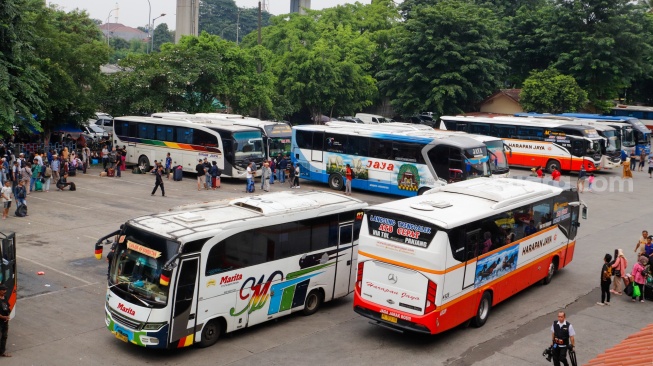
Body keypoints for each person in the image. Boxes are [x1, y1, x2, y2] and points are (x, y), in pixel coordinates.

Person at [0, 284, 11, 357]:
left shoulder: (5, 298)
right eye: (3, 290)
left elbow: (7, 307)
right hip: (0, 320)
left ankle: (2, 352)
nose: (5, 291)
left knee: (4, 336)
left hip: (5, 321)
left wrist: (7, 316)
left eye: (5, 290)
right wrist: (2, 317)